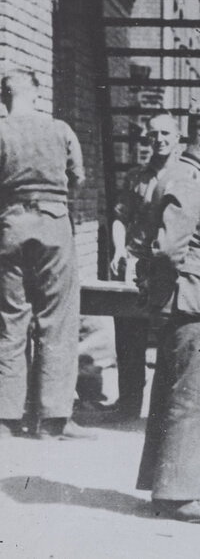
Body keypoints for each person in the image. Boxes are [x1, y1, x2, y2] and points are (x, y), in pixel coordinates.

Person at [134, 101, 200, 524]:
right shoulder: (190, 179)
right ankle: (177, 496)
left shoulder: (190, 174)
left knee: (180, 398)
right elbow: (169, 248)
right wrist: (163, 299)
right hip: (196, 301)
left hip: (194, 299)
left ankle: (168, 488)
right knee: (194, 401)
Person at [0, 69, 88, 440]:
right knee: (58, 319)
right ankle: (53, 419)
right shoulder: (60, 129)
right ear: (36, 92)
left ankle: (5, 417)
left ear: (5, 96)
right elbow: (78, 178)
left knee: (10, 319)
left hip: (11, 225)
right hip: (53, 224)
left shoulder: (1, 130)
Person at [107, 112, 181, 419]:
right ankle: (128, 405)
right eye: (153, 134)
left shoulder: (185, 175)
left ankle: (166, 409)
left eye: (166, 133)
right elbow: (120, 217)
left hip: (168, 264)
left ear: (177, 137)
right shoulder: (137, 176)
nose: (159, 140)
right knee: (129, 333)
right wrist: (117, 250)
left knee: (170, 334)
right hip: (136, 262)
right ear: (146, 139)